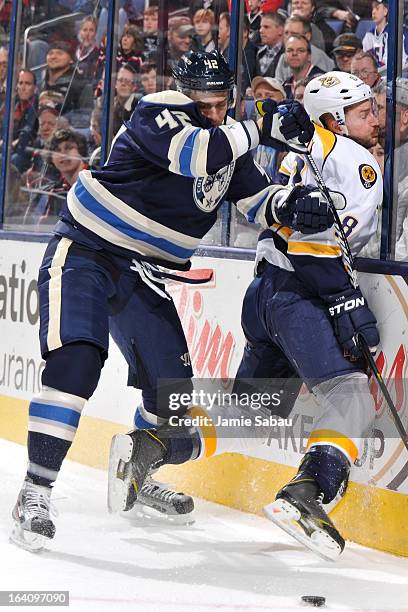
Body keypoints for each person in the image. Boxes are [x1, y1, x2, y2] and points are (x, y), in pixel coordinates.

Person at [11, 50, 336, 550]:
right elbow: (196, 154)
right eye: (203, 104)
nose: (212, 112)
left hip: (144, 273)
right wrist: (261, 126)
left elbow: (256, 201)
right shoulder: (156, 110)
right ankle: (35, 491)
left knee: (171, 394)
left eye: (220, 104)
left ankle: (136, 477)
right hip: (88, 252)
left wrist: (294, 205)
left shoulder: (228, 139)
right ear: (185, 95)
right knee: (76, 362)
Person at [111, 71, 383, 561]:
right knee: (352, 392)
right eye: (364, 113)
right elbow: (318, 244)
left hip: (263, 295)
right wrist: (345, 299)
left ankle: (149, 447)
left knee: (250, 410)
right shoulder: (354, 157)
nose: (376, 120)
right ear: (335, 120)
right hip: (299, 294)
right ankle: (307, 494)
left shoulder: (302, 152)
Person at [255, 11, 285, 78]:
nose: (261, 30)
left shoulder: (287, 54)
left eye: (266, 27)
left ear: (280, 30)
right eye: (261, 27)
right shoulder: (259, 53)